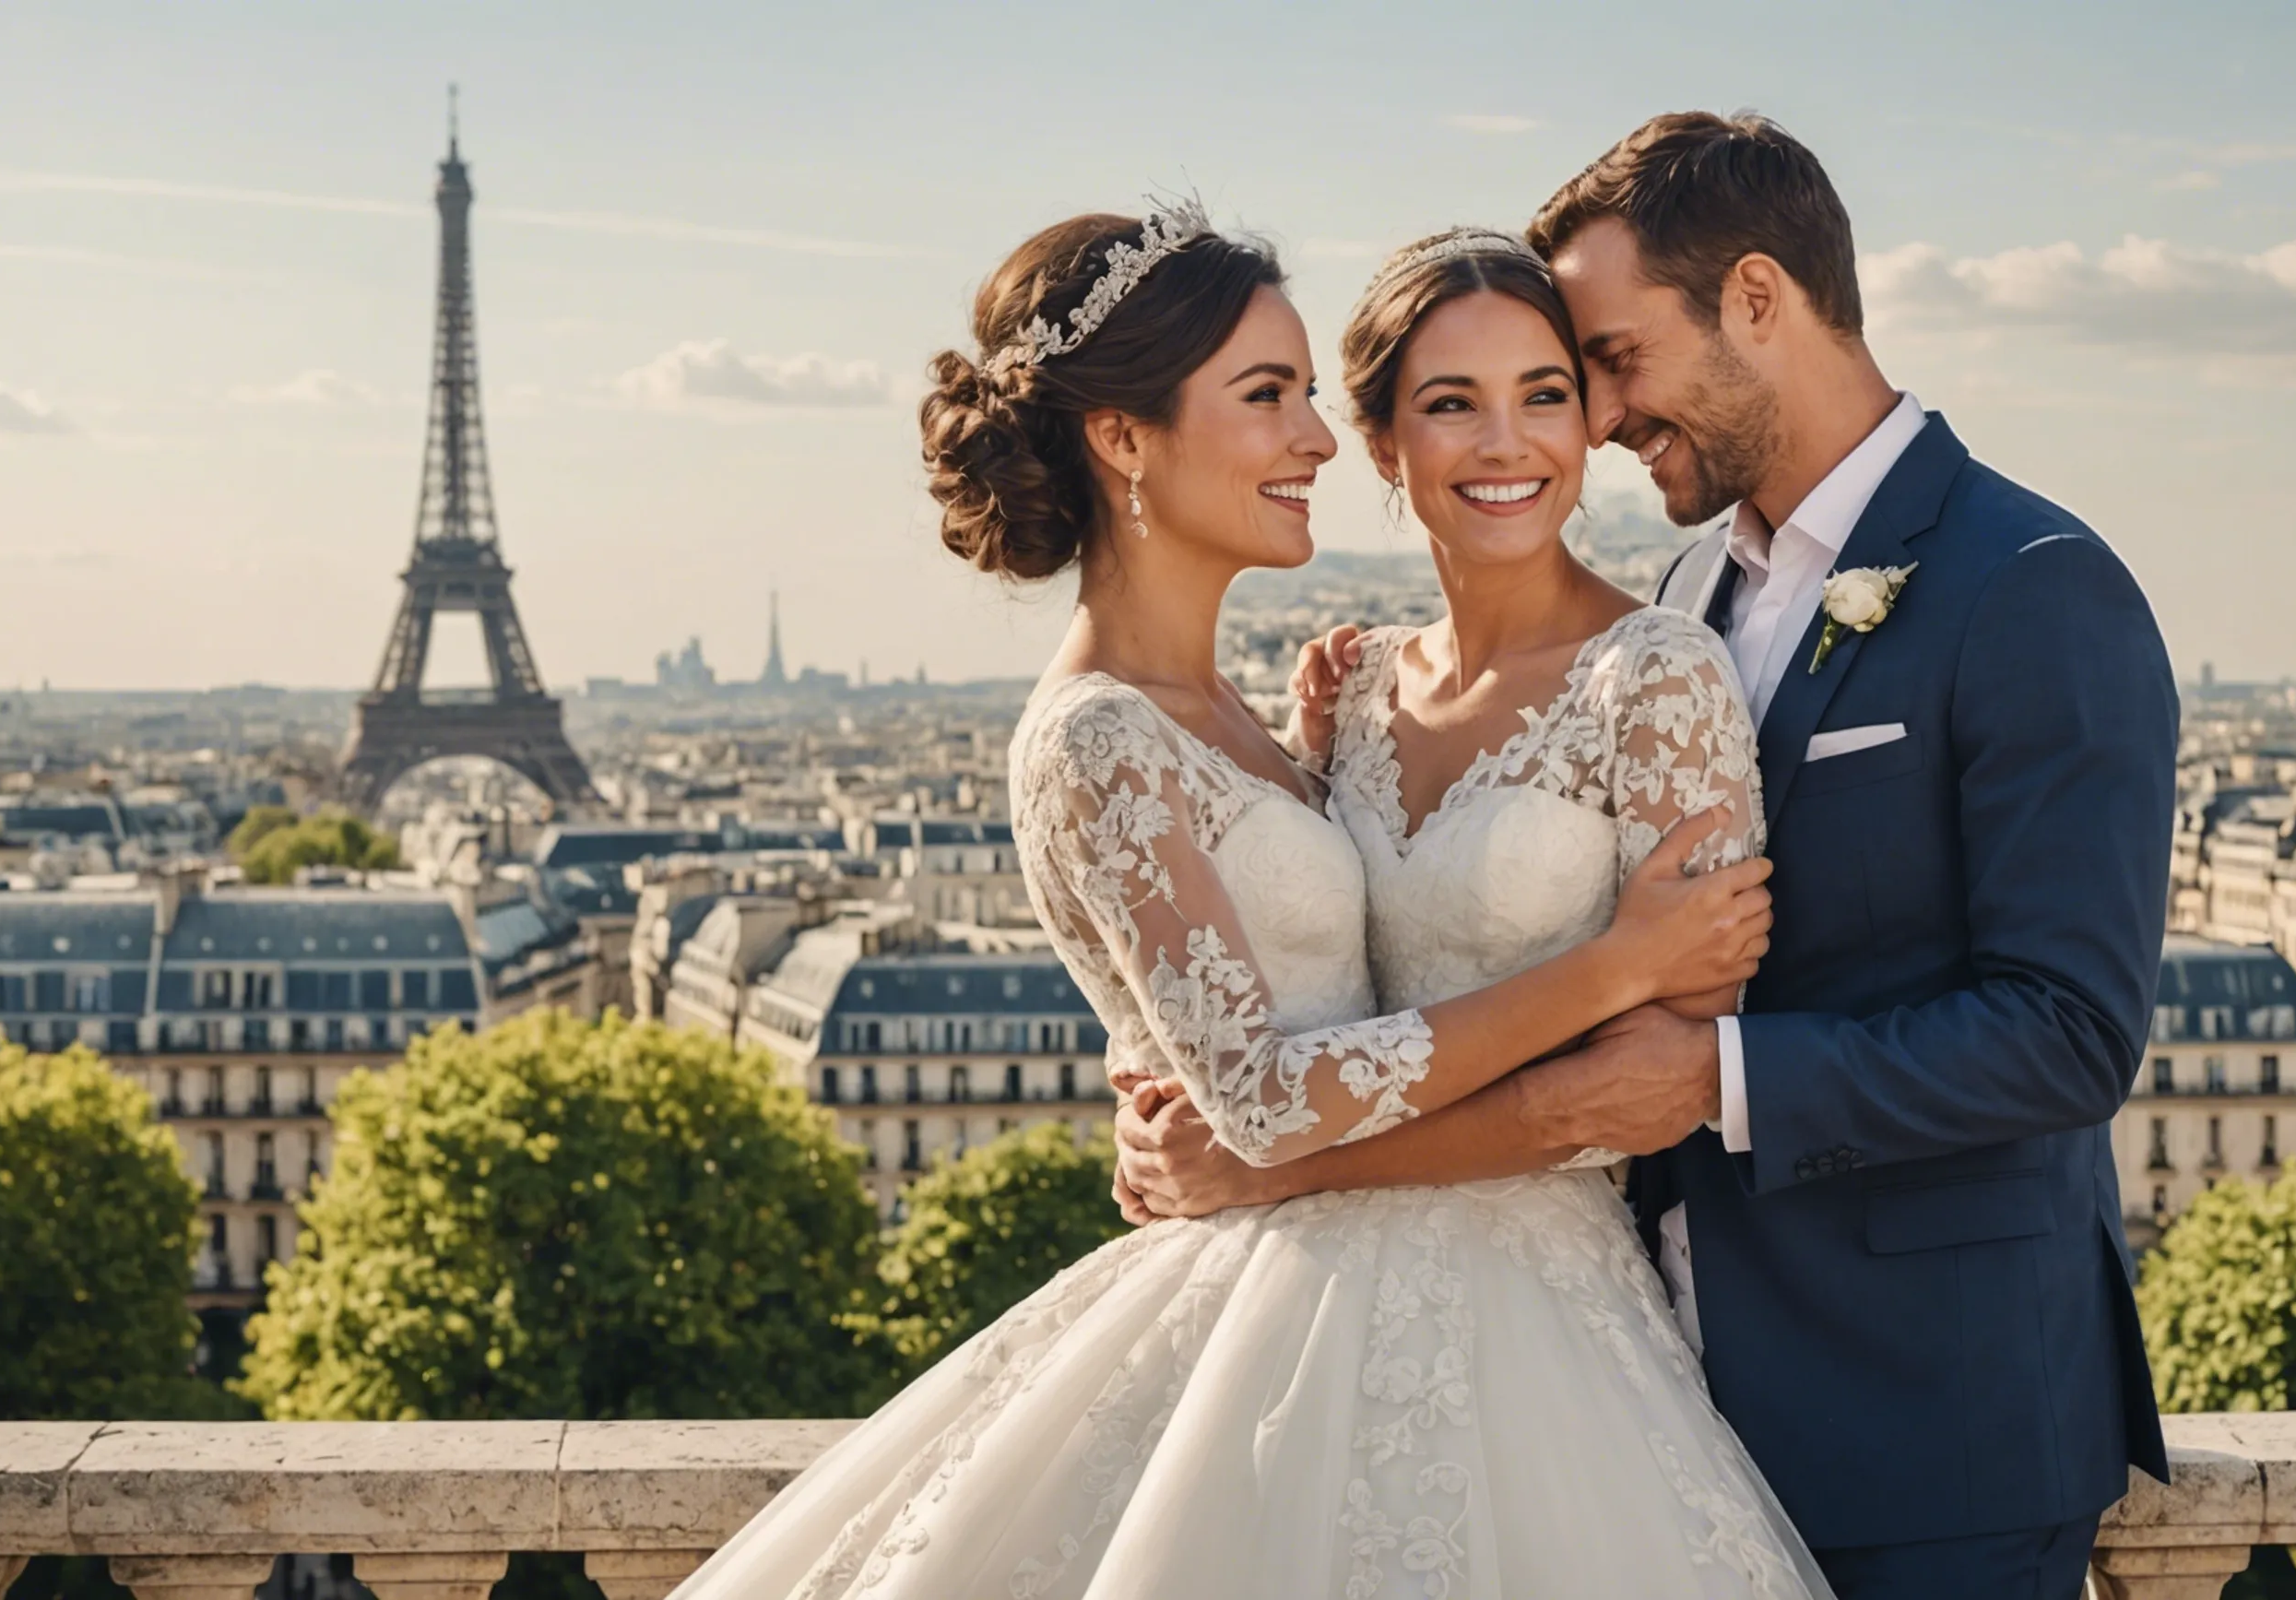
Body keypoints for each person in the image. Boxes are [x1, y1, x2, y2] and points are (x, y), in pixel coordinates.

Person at [666, 206, 1825, 1600]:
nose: (1314, 439)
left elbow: (1635, 1087)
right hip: (1342, 1317)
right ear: (1124, 436)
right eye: (1276, 398)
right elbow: (1261, 1078)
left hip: (1506, 1304)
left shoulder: (1343, 712)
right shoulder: (1141, 726)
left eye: (1547, 395)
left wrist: (1260, 1140)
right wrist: (1610, 962)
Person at [1136, 113, 2180, 1600]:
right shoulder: (1683, 591)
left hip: (1938, 1415)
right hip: (1661, 1384)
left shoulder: (2032, 588)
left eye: (1607, 361)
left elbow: (2071, 1032)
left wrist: (1715, 1078)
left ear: (1756, 298)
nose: (1602, 421)